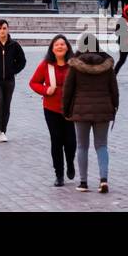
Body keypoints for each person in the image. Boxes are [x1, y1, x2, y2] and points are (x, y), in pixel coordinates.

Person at [62, 33, 119, 194]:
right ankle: (103, 180)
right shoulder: (107, 65)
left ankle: (83, 182)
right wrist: (114, 107)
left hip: (81, 112)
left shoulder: (74, 65)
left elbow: (67, 90)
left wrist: (66, 110)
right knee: (101, 146)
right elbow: (114, 90)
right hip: (103, 111)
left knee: (82, 146)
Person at [28, 34, 77, 187]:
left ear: (67, 47)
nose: (60, 47)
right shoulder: (46, 65)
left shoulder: (74, 65)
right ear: (52, 49)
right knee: (56, 141)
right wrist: (45, 90)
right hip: (51, 109)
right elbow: (33, 82)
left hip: (70, 109)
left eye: (63, 44)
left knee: (71, 141)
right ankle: (59, 174)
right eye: (57, 45)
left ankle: (70, 162)